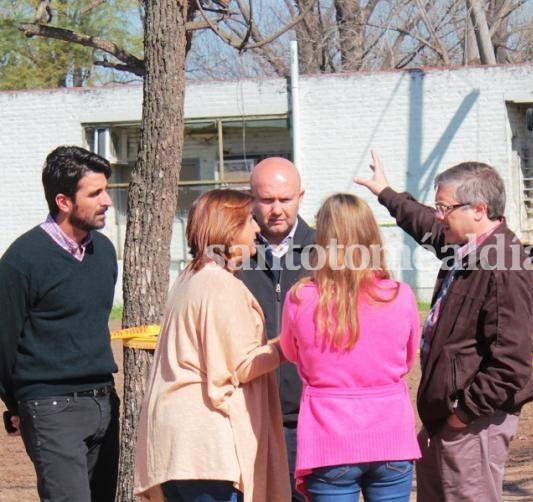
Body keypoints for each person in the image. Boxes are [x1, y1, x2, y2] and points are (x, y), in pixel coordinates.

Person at [355, 151, 533, 502]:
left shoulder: (504, 265)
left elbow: (511, 363)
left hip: (473, 422)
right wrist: (387, 193)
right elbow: (427, 225)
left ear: (478, 210)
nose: (439, 216)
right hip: (450, 418)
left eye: (445, 208)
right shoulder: (468, 248)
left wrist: (461, 415)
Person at [133, 189, 290, 502]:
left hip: (176, 446)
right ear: (229, 229)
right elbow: (240, 366)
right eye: (249, 222)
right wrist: (290, 346)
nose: (258, 229)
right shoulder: (221, 285)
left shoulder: (190, 277)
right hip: (206, 447)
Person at [279, 193, 421, 501]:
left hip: (329, 438)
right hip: (391, 435)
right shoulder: (401, 295)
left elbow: (291, 353)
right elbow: (407, 360)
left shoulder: (301, 297)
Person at [0, 145, 120, 502]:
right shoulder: (22, 261)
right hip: (51, 408)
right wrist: (17, 404)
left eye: (106, 190)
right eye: (95, 193)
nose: (107, 201)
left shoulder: (105, 253)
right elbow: (3, 341)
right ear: (64, 201)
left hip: (104, 402)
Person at [238, 157, 316, 502]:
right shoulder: (233, 253)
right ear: (251, 199)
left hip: (311, 419)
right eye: (267, 200)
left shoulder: (327, 251)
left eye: (285, 199)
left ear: (300, 196)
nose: (276, 210)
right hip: (251, 416)